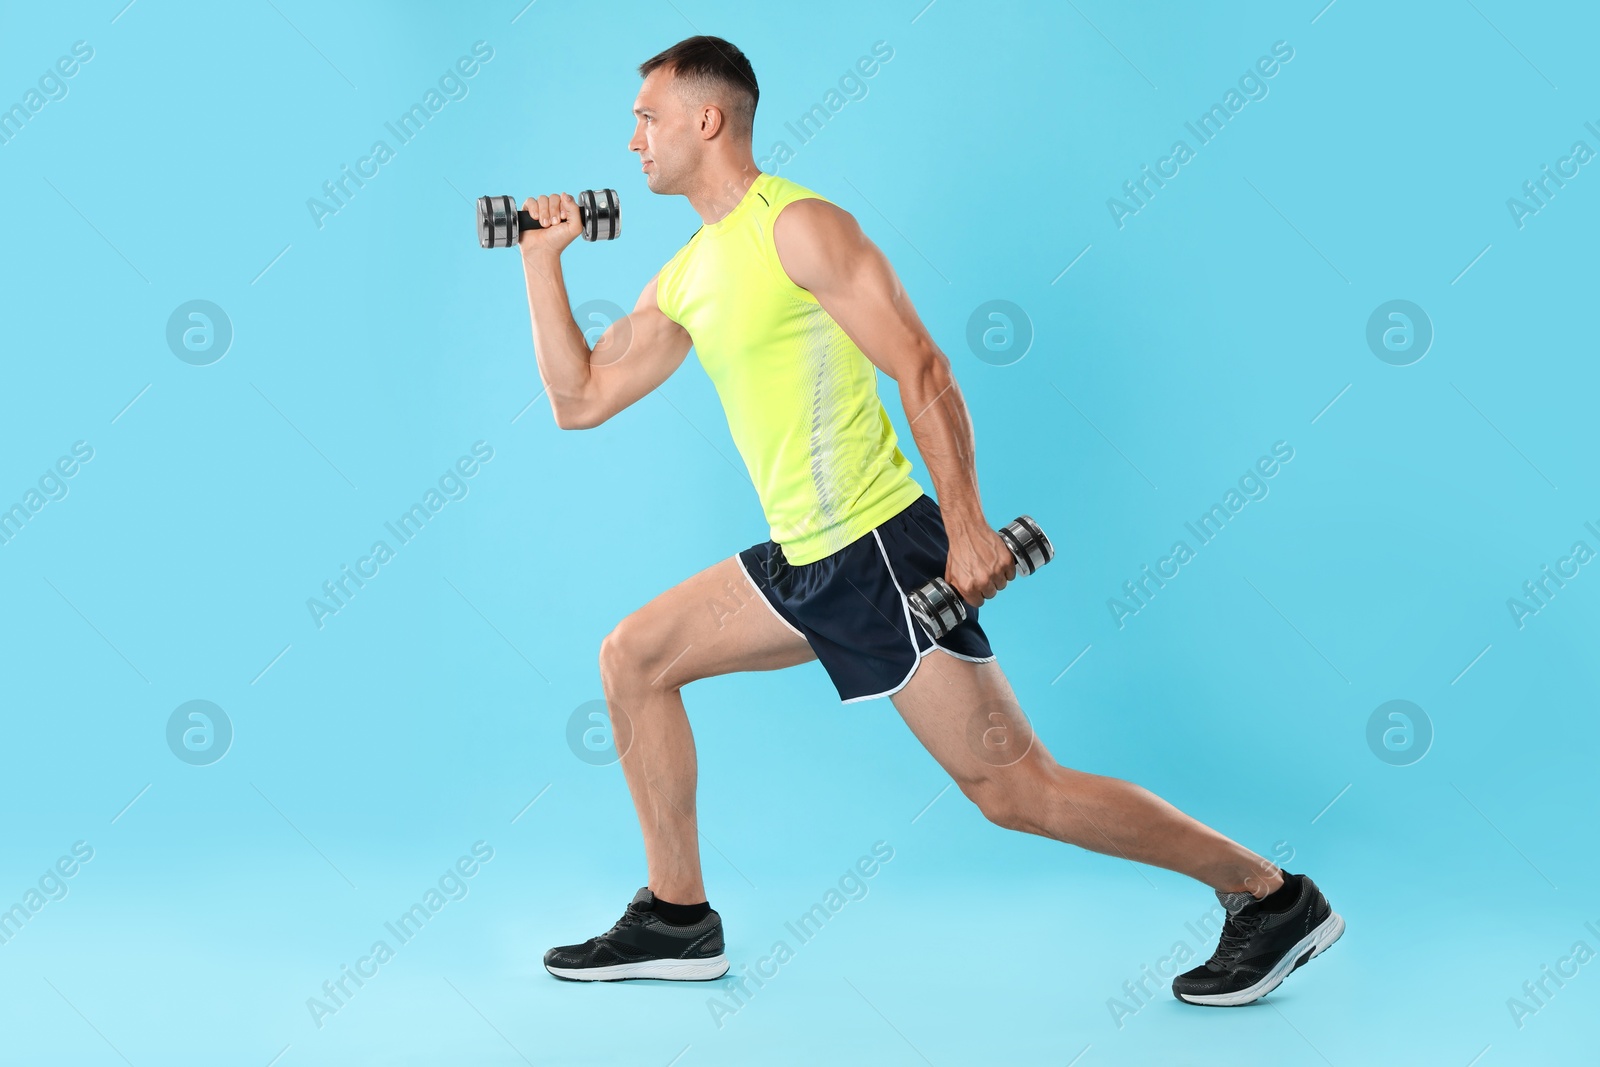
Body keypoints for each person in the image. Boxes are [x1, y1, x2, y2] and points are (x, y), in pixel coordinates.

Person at [514, 35, 1343, 1006]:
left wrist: (965, 526)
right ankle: (676, 916)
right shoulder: (689, 272)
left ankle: (1269, 895)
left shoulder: (802, 227)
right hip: (802, 560)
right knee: (634, 657)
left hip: (878, 550)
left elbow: (922, 367)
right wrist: (542, 261)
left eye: (646, 117)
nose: (632, 141)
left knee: (1017, 791)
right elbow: (578, 399)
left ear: (707, 118)